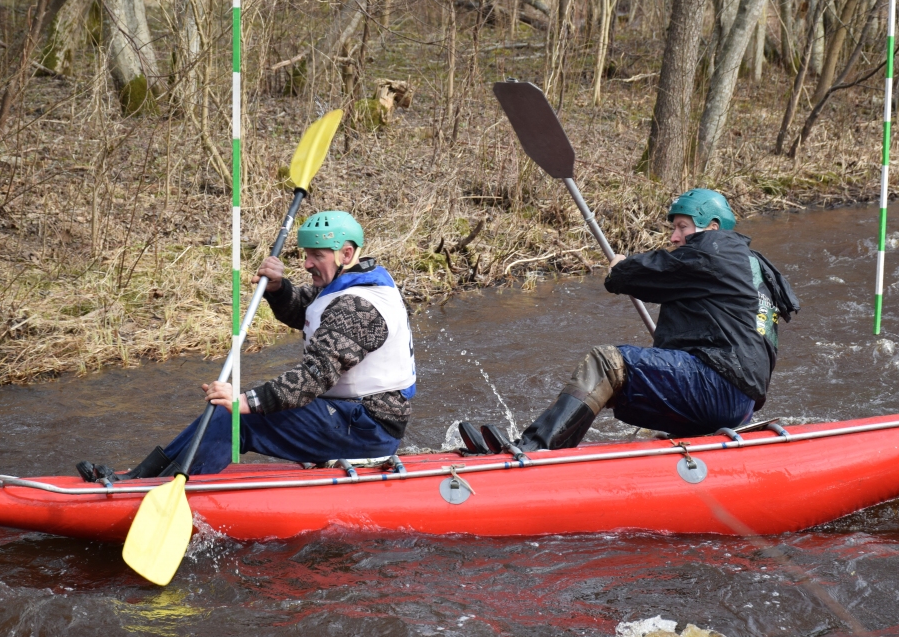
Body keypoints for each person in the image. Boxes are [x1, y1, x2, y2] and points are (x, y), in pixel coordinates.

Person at [77, 211, 416, 482]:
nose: (307, 263)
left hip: (365, 427)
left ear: (346, 253)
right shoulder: (348, 283)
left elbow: (313, 378)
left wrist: (246, 403)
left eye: (316, 256)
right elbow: (306, 313)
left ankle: (172, 489)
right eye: (305, 255)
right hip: (349, 415)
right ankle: (144, 476)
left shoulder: (358, 306)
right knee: (225, 412)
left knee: (237, 418)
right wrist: (279, 289)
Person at [459, 188, 799, 454]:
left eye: (682, 227)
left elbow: (642, 275)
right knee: (619, 384)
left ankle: (536, 450)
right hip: (740, 406)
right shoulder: (752, 266)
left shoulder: (714, 249)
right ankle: (563, 445)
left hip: (716, 388)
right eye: (674, 228)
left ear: (711, 227)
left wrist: (620, 268)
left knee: (608, 364)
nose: (674, 237)